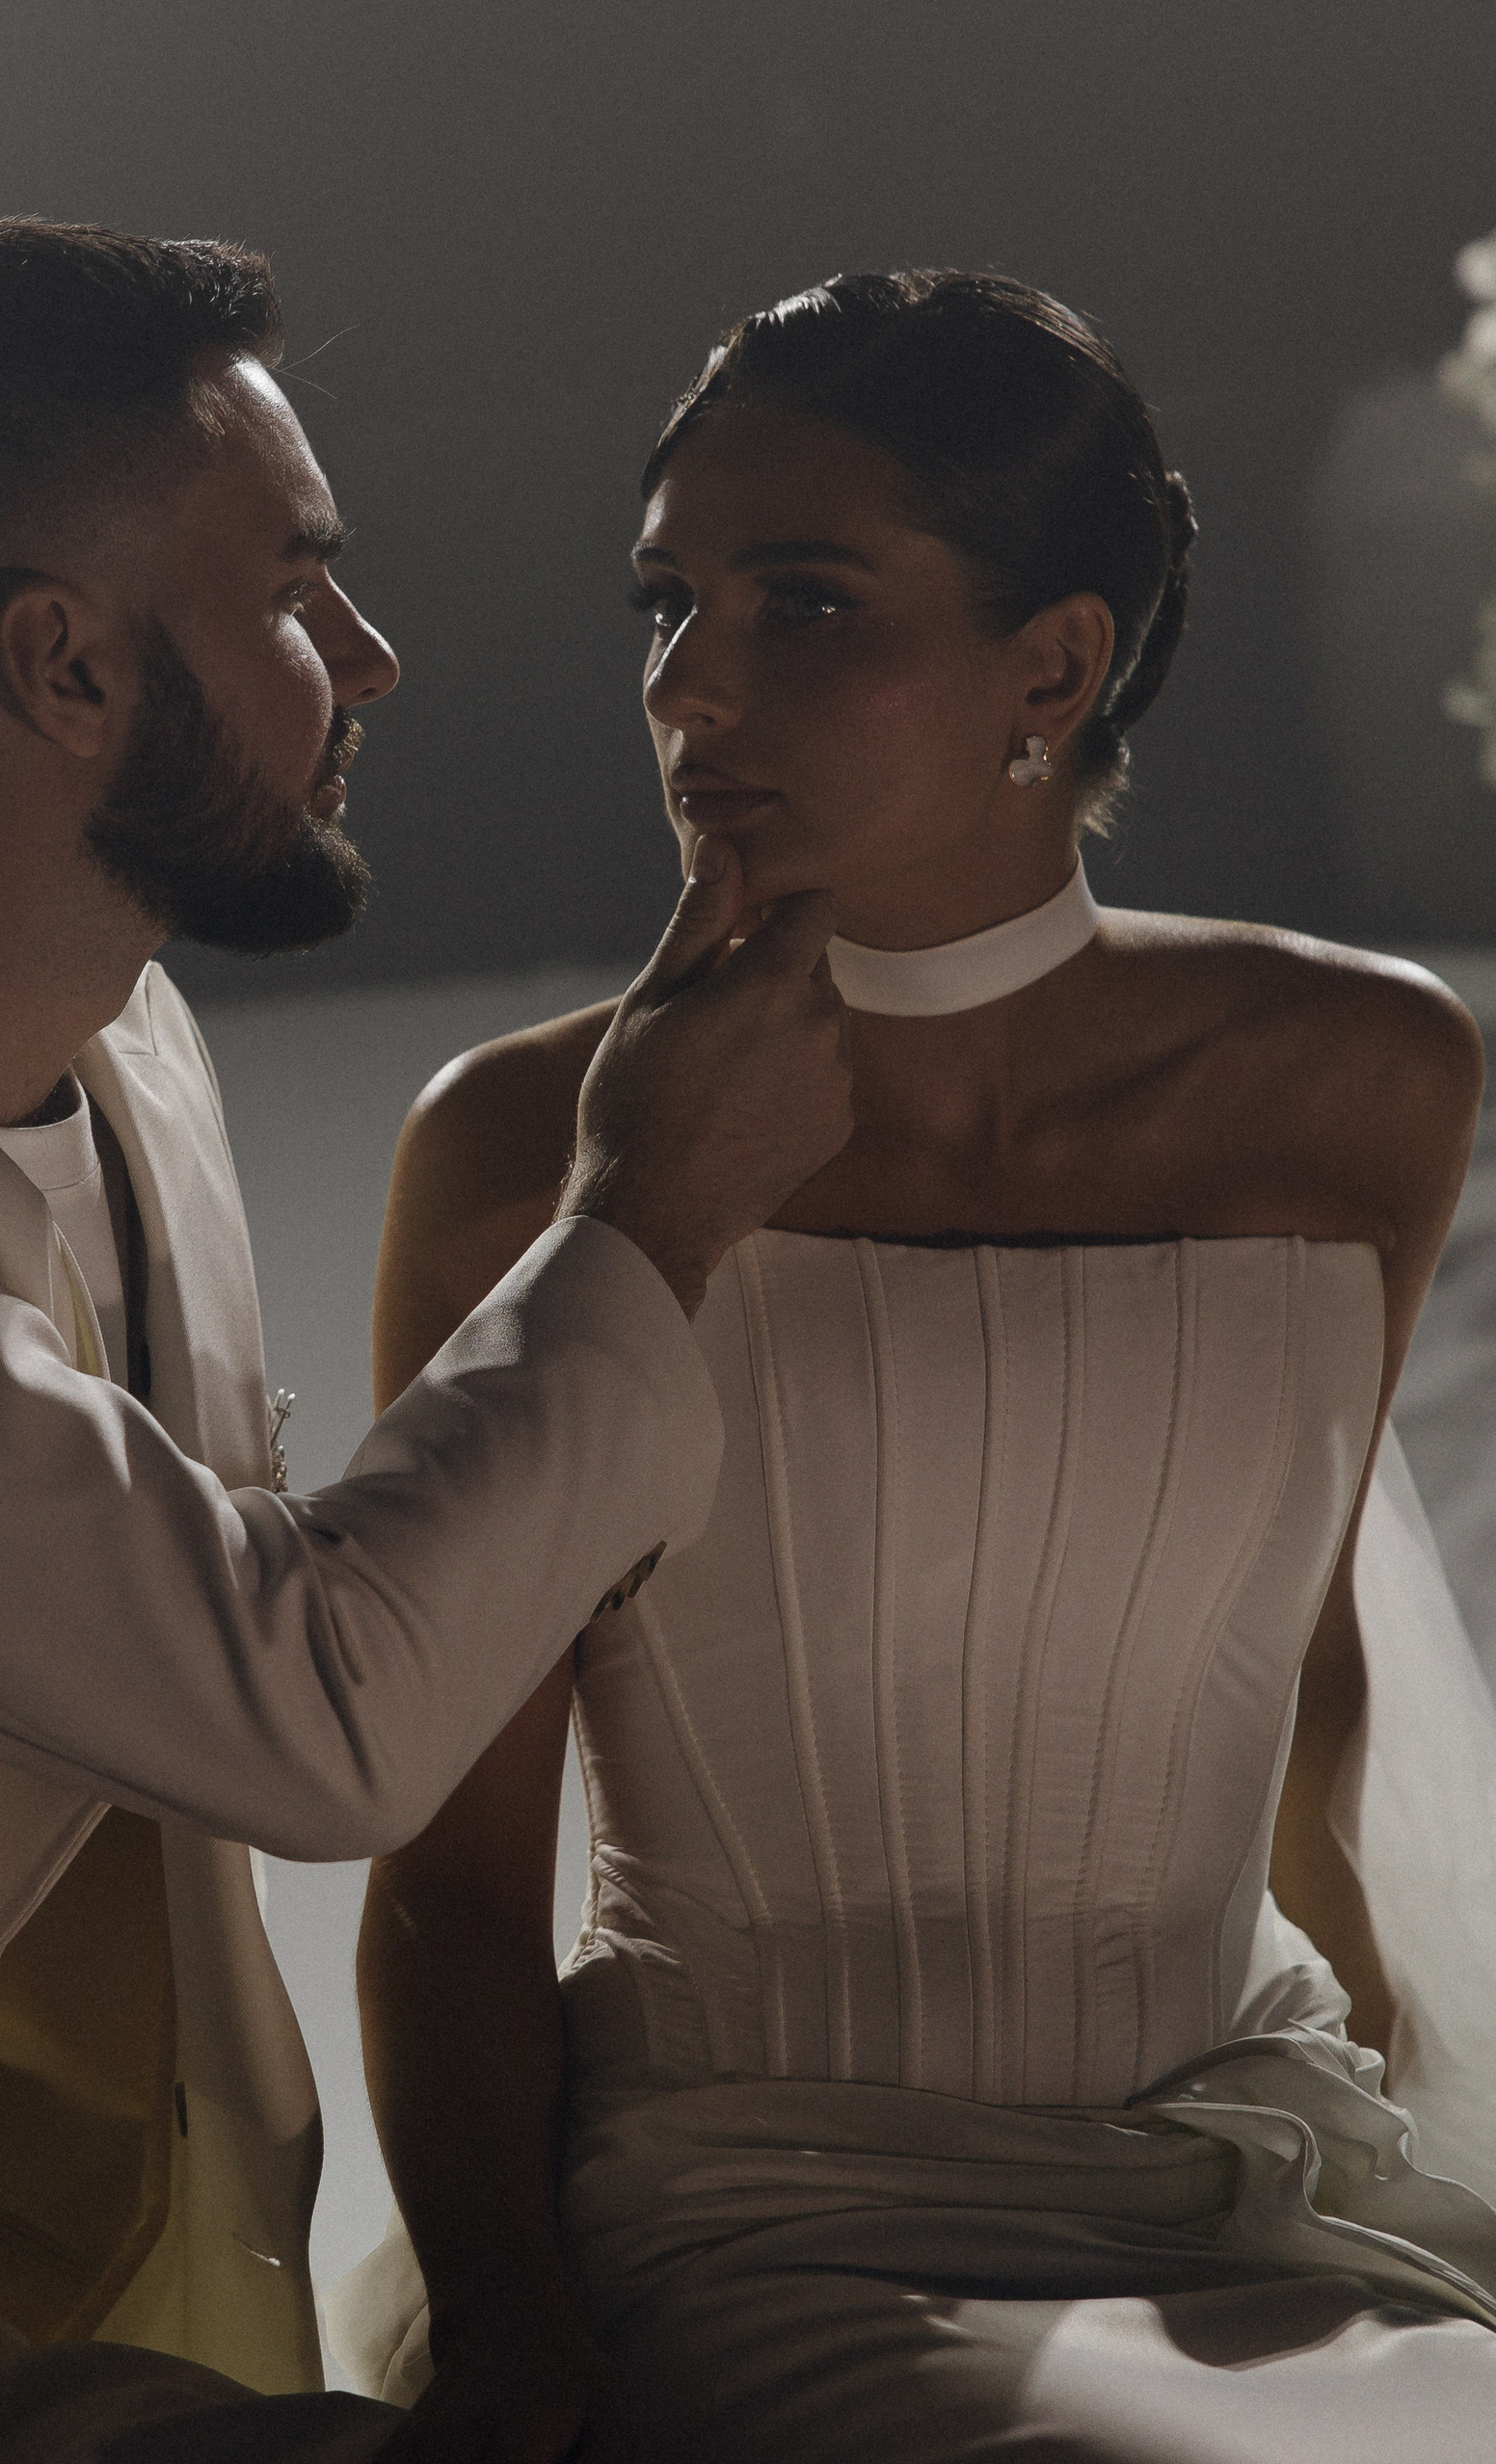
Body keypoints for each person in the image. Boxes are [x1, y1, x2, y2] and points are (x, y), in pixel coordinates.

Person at [0, 222, 854, 2464]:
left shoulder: (131, 1050)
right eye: (299, 593)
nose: (372, 657)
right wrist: (645, 1212)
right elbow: (309, 1710)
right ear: (63, 661)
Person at [339, 270, 1496, 2462]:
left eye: (801, 603)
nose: (688, 684)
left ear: (1052, 666)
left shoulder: (1363, 1079)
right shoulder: (517, 1150)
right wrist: (509, 2331)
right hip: (760, 2213)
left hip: (1247, 2177)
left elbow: (1312, 1689)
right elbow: (454, 1885)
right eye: (667, 604)